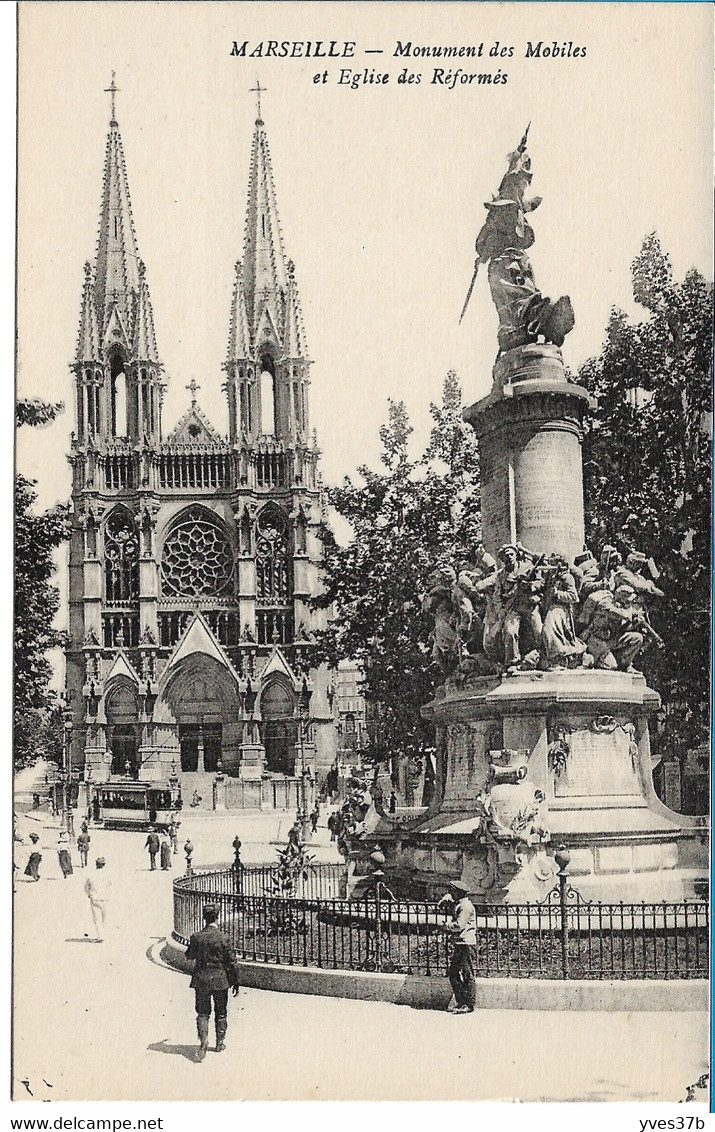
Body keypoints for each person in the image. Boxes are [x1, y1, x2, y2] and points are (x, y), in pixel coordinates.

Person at [185, 904, 240, 1061]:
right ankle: (220, 1042)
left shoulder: (197, 937)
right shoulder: (224, 938)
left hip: (201, 980)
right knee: (221, 1012)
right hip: (220, 980)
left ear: (204, 918)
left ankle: (203, 1041)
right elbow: (232, 963)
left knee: (203, 1012)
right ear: (217, 917)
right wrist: (235, 981)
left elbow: (189, 955)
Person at [440, 880, 477, 1014]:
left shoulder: (465, 906)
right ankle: (461, 1002)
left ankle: (469, 1004)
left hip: (466, 943)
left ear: (458, 892)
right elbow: (442, 907)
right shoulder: (460, 904)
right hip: (461, 943)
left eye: (452, 891)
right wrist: (445, 901)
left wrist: (446, 927)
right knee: (454, 973)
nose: (450, 893)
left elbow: (459, 925)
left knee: (467, 974)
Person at [84, 857, 111, 942]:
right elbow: (109, 884)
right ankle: (105, 934)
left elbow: (86, 886)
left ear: (96, 864)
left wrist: (89, 894)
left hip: (95, 898)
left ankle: (100, 936)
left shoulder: (92, 875)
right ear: (104, 865)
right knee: (105, 917)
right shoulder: (106, 874)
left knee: (97, 918)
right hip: (105, 898)